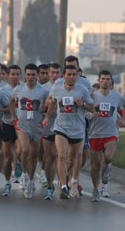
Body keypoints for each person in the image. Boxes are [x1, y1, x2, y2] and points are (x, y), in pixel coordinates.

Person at [43, 65, 94, 199]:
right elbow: (53, 102)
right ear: (63, 76)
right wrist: (48, 117)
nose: (71, 77)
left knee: (72, 159)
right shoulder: (57, 88)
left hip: (77, 129)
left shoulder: (82, 90)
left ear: (77, 76)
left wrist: (82, 104)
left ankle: (66, 176)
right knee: (61, 155)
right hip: (61, 127)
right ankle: (64, 186)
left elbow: (92, 108)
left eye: (74, 74)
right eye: (69, 74)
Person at [89, 70, 125, 202]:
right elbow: (85, 111)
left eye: (108, 79)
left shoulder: (116, 97)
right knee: (94, 166)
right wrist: (91, 115)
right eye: (103, 79)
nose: (105, 81)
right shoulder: (92, 96)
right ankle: (95, 189)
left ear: (111, 81)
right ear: (99, 80)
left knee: (109, 157)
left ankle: (106, 169)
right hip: (95, 134)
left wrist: (123, 118)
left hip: (110, 133)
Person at [10, 63, 48, 199]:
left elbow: (49, 108)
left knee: (33, 156)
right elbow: (11, 100)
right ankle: (24, 175)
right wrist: (13, 115)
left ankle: (31, 181)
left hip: (37, 126)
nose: (30, 77)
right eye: (28, 75)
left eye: (33, 75)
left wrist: (45, 110)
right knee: (25, 150)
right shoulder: (18, 89)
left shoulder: (43, 92)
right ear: (24, 76)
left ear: (37, 76)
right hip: (22, 124)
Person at [0, 65, 22, 196]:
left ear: (21, 76)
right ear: (7, 76)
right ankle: (7, 183)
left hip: (22, 125)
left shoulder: (24, 89)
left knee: (20, 150)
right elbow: (2, 106)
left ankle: (18, 164)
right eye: (12, 74)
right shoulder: (2, 91)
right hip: (7, 124)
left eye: (17, 74)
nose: (15, 77)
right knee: (7, 157)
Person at [41, 63, 62, 200]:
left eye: (57, 73)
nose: (54, 75)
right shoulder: (43, 89)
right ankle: (50, 185)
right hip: (48, 128)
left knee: (61, 156)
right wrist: (47, 113)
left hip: (63, 128)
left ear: (62, 74)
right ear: (48, 74)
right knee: (50, 157)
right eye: (52, 72)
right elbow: (39, 109)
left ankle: (64, 181)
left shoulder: (66, 88)